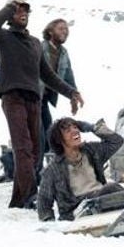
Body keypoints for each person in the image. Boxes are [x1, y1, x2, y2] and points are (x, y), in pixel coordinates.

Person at [0, 0, 84, 208]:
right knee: (23, 147)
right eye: (19, 11)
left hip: (34, 99)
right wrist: (10, 6)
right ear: (11, 16)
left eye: (26, 11)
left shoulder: (34, 44)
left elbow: (48, 75)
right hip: (13, 97)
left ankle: (19, 200)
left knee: (36, 149)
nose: (23, 14)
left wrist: (71, 92)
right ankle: (31, 195)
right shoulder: (3, 37)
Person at [37, 117, 124, 221]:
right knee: (112, 188)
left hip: (102, 201)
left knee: (117, 191)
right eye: (68, 130)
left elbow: (117, 141)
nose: (75, 131)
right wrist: (50, 223)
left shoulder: (91, 151)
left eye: (75, 127)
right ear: (59, 139)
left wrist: (93, 127)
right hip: (77, 213)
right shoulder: (52, 169)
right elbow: (44, 202)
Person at [39, 19, 77, 163]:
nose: (65, 31)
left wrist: (74, 96)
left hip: (45, 98)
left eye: (66, 29)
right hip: (35, 95)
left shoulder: (63, 53)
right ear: (50, 31)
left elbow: (68, 76)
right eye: (61, 29)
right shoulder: (40, 48)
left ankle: (49, 165)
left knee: (48, 131)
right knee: (41, 133)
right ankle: (38, 169)